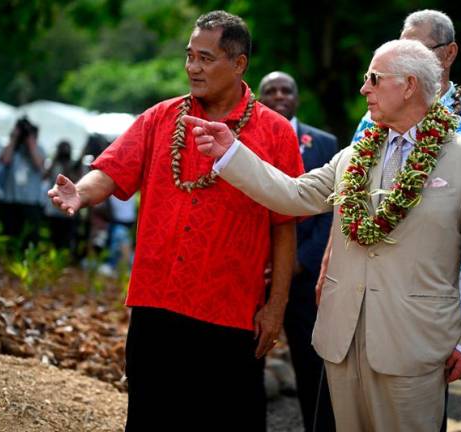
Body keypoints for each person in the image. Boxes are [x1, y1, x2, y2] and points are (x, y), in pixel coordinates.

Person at [185, 38, 461, 431]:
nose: (363, 88)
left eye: (373, 79)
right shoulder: (354, 156)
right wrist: (231, 152)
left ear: (407, 86)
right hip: (342, 342)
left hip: (415, 346)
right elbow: (293, 194)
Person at [48, 10, 304, 431]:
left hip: (230, 310)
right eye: (189, 56)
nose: (192, 68)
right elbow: (113, 169)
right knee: (150, 418)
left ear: (239, 64)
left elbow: (284, 223)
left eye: (205, 58)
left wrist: (275, 308)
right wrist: (82, 191)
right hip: (157, 303)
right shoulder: (161, 117)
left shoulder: (275, 133)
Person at [259, 71, 337, 432]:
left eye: (285, 90)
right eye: (270, 90)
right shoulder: (241, 141)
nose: (278, 95)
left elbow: (331, 211)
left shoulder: (324, 143)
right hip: (256, 274)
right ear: (259, 98)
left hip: (306, 279)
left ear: (297, 97)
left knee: (311, 364)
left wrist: (299, 263)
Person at [0, 117, 45, 246]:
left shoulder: (38, 148)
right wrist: (14, 139)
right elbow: (5, 160)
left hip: (30, 202)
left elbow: (39, 164)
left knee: (29, 240)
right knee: (9, 238)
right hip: (11, 200)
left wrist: (30, 143)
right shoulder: (12, 148)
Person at [43, 140, 78, 251]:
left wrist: (67, 166)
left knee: (66, 239)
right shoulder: (53, 163)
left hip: (68, 208)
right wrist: (55, 159)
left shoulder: (73, 165)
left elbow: (75, 180)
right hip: (53, 209)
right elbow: (45, 175)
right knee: (53, 238)